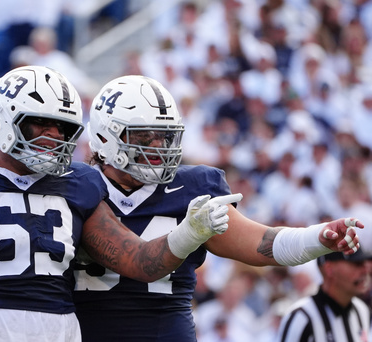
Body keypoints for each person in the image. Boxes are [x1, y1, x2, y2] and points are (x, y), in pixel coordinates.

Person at [0, 65, 247, 342]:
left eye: (63, 128)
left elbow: (140, 261)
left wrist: (189, 232)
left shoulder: (78, 183)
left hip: (58, 326)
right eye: (40, 122)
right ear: (3, 118)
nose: (53, 135)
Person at [72, 74, 364, 342]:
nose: (158, 145)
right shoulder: (73, 188)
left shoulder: (193, 188)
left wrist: (317, 237)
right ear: (104, 138)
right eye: (145, 137)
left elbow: (261, 243)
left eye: (164, 135)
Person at [277, 249, 371, 341]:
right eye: (357, 263)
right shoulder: (301, 317)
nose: (366, 270)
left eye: (365, 263)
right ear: (329, 268)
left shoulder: (362, 310)